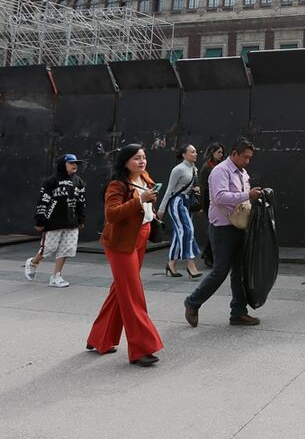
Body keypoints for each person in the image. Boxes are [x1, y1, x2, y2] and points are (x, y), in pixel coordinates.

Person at [86, 144, 164, 367]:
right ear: (125, 161)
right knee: (132, 293)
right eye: (136, 158)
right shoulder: (117, 184)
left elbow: (146, 205)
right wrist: (139, 200)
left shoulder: (145, 178)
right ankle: (142, 349)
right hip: (121, 243)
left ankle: (99, 338)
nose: (142, 162)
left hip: (140, 238)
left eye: (144, 157)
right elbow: (111, 214)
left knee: (120, 290)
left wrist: (149, 202)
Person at [184, 138, 262, 327]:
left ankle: (238, 312)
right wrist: (247, 195)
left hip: (239, 227)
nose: (247, 161)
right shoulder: (220, 171)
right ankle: (193, 302)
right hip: (222, 228)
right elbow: (219, 198)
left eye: (250, 157)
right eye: (245, 157)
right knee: (220, 271)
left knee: (239, 272)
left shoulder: (242, 172)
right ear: (234, 154)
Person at [25, 153, 86, 287]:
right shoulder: (51, 181)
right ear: (62, 165)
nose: (75, 165)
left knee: (67, 249)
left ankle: (56, 276)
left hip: (72, 222)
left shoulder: (79, 182)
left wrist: (81, 219)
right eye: (71, 163)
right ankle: (33, 262)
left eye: (76, 163)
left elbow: (81, 202)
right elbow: (43, 200)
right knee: (48, 248)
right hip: (53, 222)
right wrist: (40, 220)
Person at [158, 143, 202, 279]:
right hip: (176, 202)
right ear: (184, 154)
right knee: (187, 230)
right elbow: (170, 189)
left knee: (180, 234)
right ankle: (190, 264)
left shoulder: (194, 168)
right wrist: (161, 209)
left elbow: (191, 186)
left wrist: (195, 189)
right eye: (192, 152)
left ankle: (171, 264)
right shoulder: (178, 169)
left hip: (187, 202)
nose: (195, 154)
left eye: (195, 152)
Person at [197, 142, 225, 268]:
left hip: (217, 202)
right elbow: (204, 189)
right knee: (214, 229)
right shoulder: (207, 168)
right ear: (212, 153)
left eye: (222, 152)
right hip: (210, 203)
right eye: (218, 152)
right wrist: (203, 207)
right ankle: (208, 255)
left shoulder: (218, 166)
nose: (221, 154)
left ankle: (209, 254)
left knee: (216, 228)